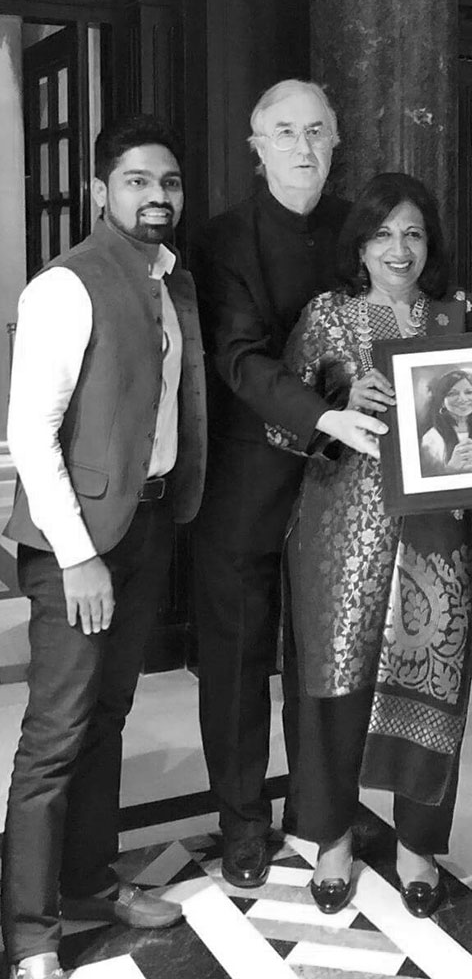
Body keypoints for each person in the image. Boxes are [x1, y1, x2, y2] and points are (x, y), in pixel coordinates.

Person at [275, 172, 472, 918]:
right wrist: (336, 404)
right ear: (359, 244)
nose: (398, 248)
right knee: (335, 687)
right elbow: (280, 425)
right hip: (341, 534)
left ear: (431, 243)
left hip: (438, 538)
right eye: (382, 233)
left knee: (434, 684)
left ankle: (417, 844)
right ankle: (332, 839)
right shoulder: (327, 316)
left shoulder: (462, 316)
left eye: (413, 233)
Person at [0, 115, 207, 979]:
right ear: (100, 191)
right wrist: (77, 556)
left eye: (169, 182)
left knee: (108, 718)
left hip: (145, 524)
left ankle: (88, 881)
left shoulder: (169, 280)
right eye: (137, 181)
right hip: (76, 545)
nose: (157, 196)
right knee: (55, 736)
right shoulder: (66, 285)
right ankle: (29, 935)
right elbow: (30, 431)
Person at [191, 80, 384, 889]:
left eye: (315, 132)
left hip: (342, 483)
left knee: (325, 655)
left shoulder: (358, 228)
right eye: (284, 132)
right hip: (245, 479)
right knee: (237, 659)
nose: (302, 148)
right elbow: (237, 356)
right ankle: (242, 821)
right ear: (256, 145)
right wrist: (323, 412)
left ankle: (321, 809)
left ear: (335, 141)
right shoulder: (222, 239)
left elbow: (405, 299)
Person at [419, 369, 472, 474]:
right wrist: (453, 466)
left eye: (469, 392)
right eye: (452, 394)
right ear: (442, 402)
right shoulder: (432, 438)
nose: (462, 399)